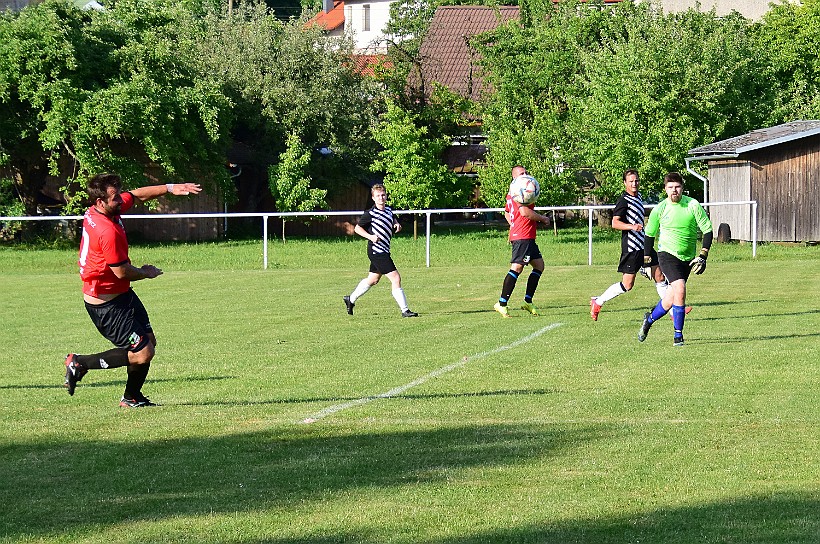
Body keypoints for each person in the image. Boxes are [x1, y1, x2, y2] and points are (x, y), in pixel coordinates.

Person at [63, 173, 202, 407]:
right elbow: (121, 271)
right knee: (142, 351)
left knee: (148, 341)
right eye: (115, 198)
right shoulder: (107, 231)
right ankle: (80, 363)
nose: (121, 201)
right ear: (100, 202)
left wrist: (169, 187)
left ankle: (131, 397)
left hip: (121, 295)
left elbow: (136, 195)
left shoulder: (103, 210)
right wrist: (145, 272)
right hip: (105, 304)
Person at [638, 172, 712, 346]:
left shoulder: (692, 205)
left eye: (677, 187)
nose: (674, 190)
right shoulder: (660, 208)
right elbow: (649, 234)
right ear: (665, 189)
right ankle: (678, 336)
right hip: (667, 254)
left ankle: (648, 320)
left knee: (670, 298)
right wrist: (646, 261)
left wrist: (703, 255)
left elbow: (707, 230)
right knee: (680, 288)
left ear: (682, 188)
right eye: (670, 187)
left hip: (687, 258)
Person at [590, 169, 670, 321]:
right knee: (627, 284)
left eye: (636, 180)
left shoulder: (639, 196)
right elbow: (615, 223)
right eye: (631, 181)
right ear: (625, 183)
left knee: (659, 276)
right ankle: (598, 302)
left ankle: (674, 311)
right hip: (632, 248)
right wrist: (631, 227)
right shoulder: (623, 201)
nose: (634, 183)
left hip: (644, 245)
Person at [343, 183, 418, 318]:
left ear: (386, 196)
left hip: (384, 249)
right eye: (378, 196)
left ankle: (351, 299)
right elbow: (357, 229)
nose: (381, 198)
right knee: (396, 278)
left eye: (383, 195)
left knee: (373, 279)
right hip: (377, 251)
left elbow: (392, 218)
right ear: (373, 198)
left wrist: (396, 224)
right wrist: (371, 236)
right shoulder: (370, 213)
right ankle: (405, 310)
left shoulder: (388, 210)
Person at [493, 165, 550, 318]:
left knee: (539, 266)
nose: (525, 175)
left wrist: (512, 225)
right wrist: (543, 219)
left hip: (526, 235)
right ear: (514, 178)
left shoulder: (513, 193)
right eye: (521, 173)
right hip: (523, 236)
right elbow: (524, 212)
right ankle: (502, 303)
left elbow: (506, 211)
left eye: (526, 172)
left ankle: (528, 301)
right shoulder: (520, 192)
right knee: (517, 268)